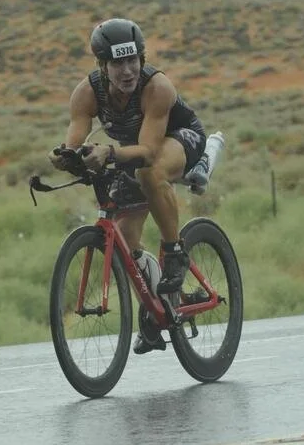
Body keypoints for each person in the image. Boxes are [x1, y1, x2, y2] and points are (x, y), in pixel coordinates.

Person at [49, 17, 206, 350]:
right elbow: (75, 141)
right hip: (131, 153)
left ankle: (175, 252)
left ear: (141, 58)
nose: (127, 71)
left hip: (178, 139)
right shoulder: (86, 93)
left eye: (132, 60)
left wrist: (108, 152)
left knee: (151, 172)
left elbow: (148, 152)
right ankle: (159, 309)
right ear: (102, 66)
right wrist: (66, 157)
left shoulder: (157, 87)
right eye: (117, 63)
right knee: (125, 236)